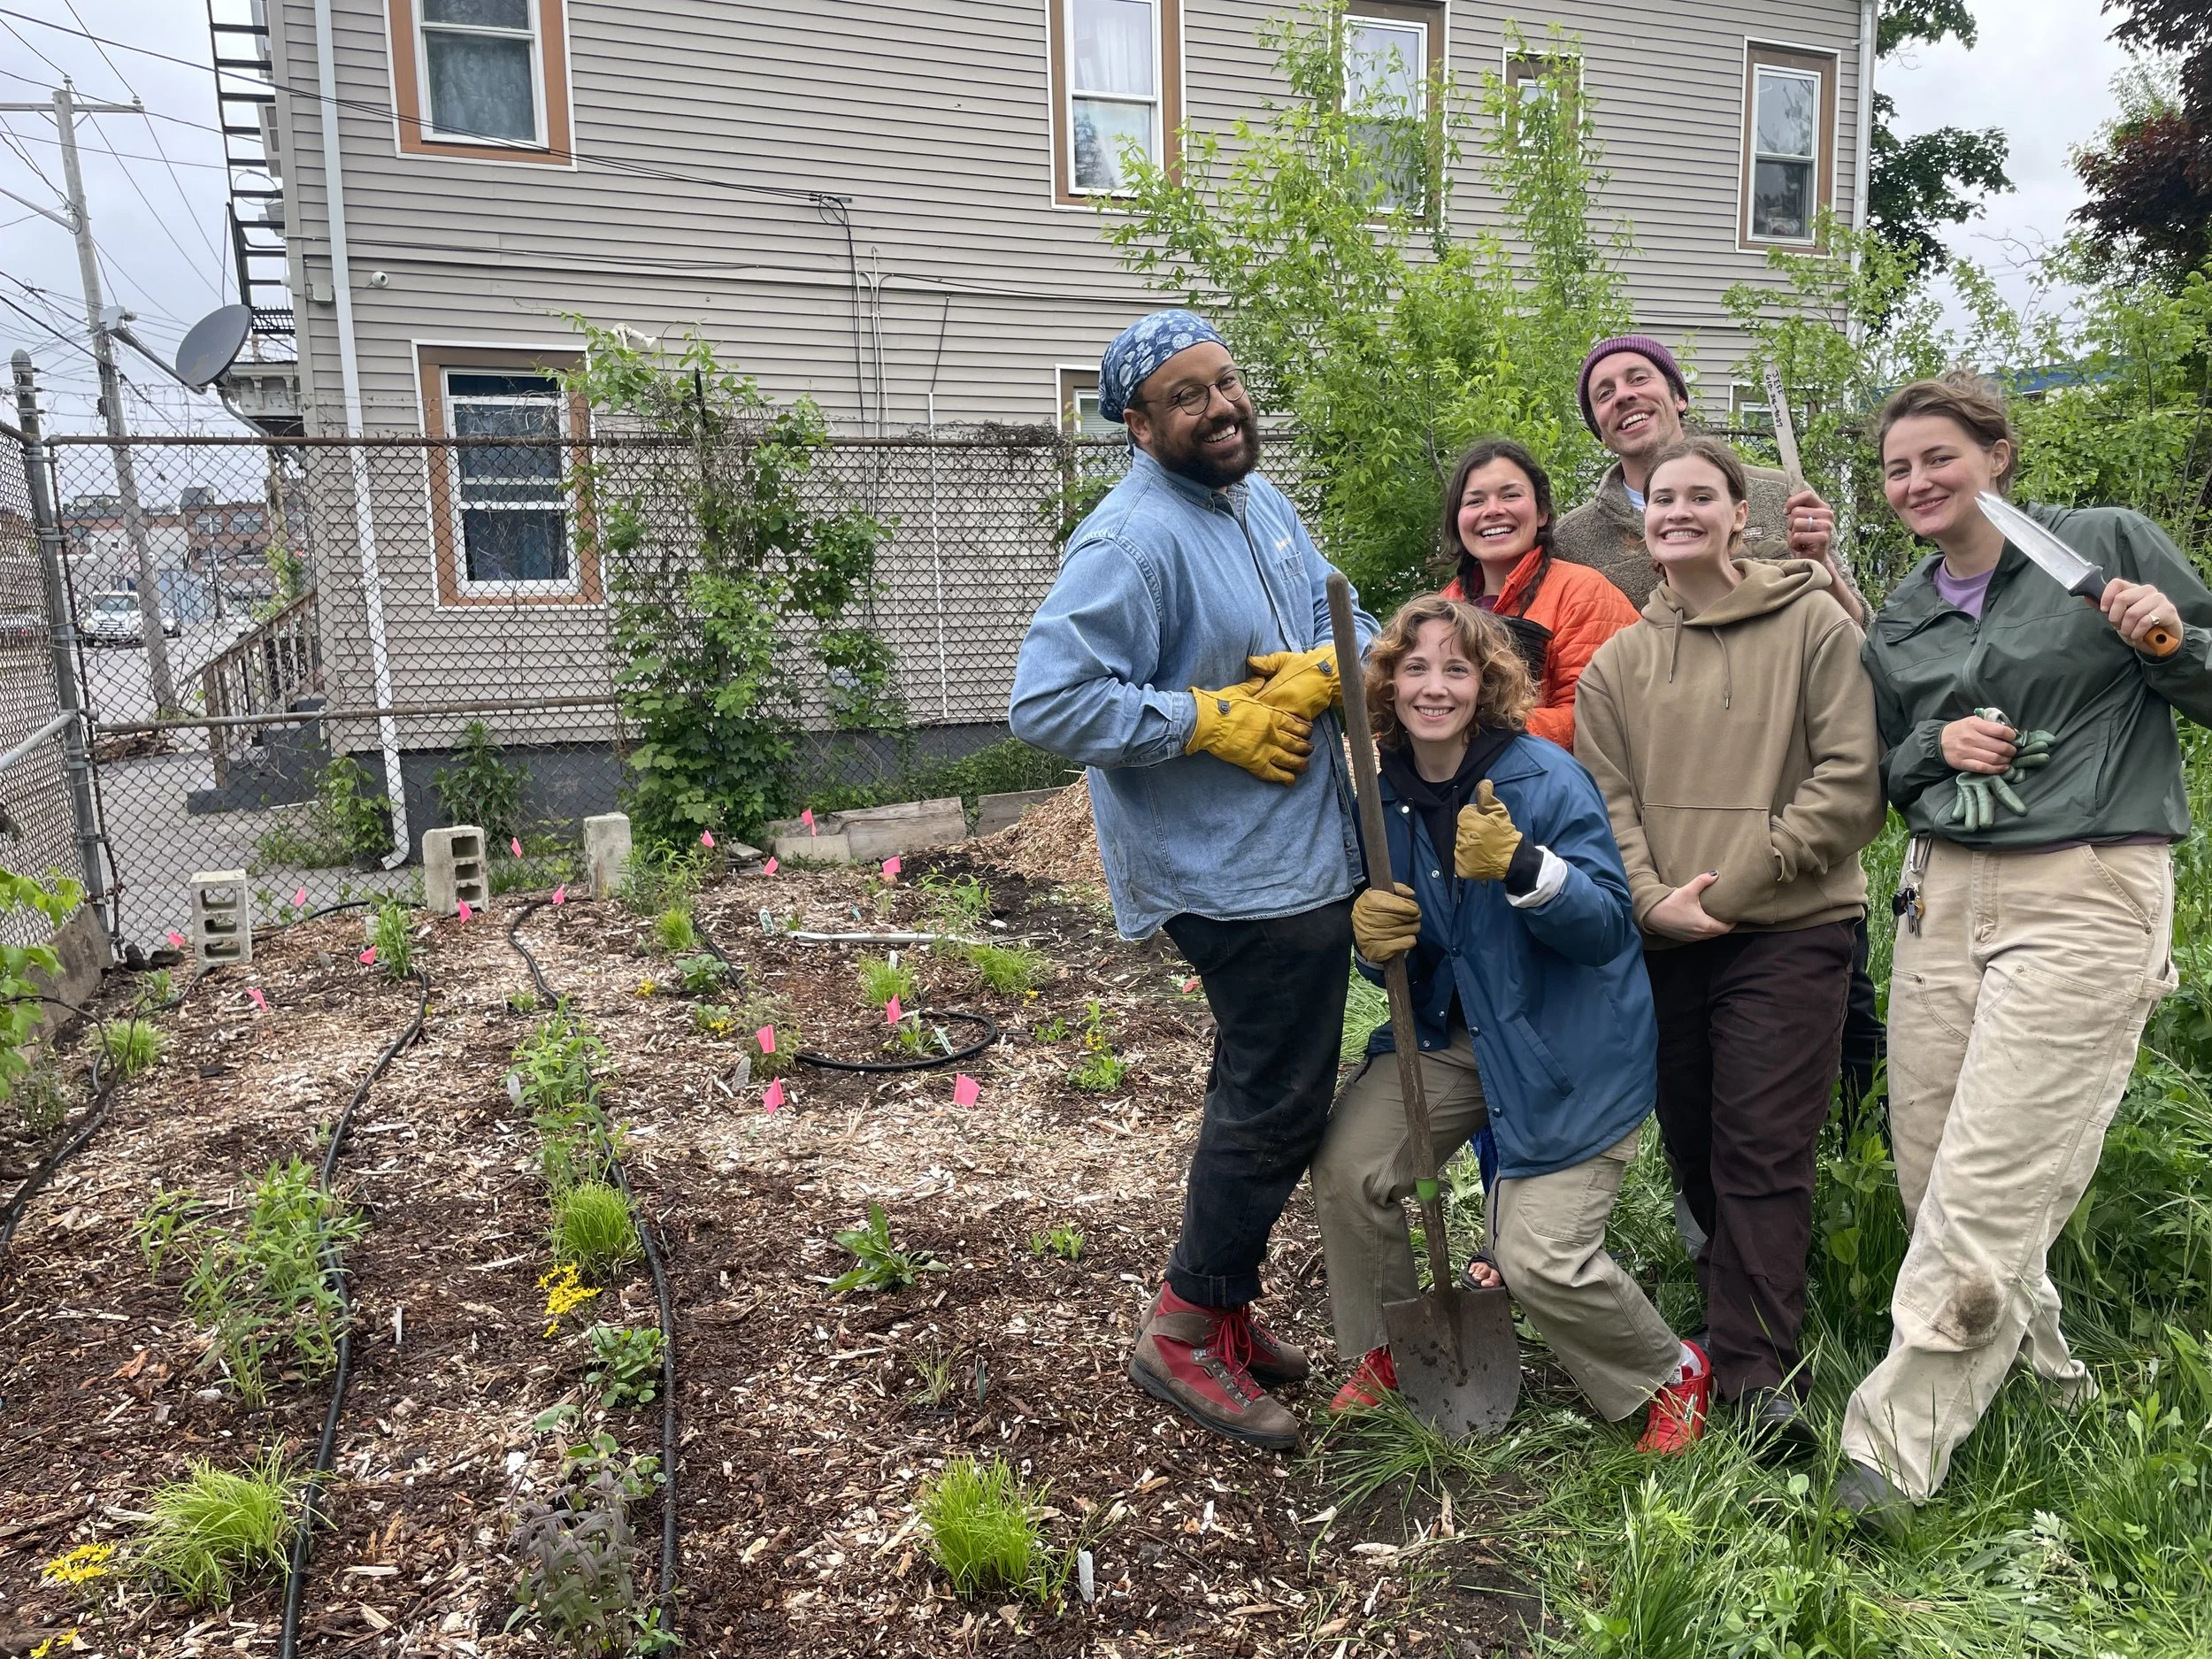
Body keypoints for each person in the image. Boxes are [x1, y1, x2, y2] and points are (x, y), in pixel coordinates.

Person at [1834, 376, 2209, 1530]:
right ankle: (2049, 1378)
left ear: (1997, 455)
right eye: (1898, 469)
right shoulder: (1899, 615)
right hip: (1943, 893)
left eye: (1939, 457)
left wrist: (2169, 635)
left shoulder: (2096, 548)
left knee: (1991, 1185)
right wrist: (1935, 746)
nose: (1917, 482)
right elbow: (1888, 774)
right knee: (1932, 1169)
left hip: (2085, 884)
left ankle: (1889, 1455)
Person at [1010, 309, 1378, 1452]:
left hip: (1297, 854)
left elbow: (1337, 609)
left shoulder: (1256, 501)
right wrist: (1208, 717)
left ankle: (1223, 1303)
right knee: (1276, 1099)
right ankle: (1184, 1322)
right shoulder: (1130, 540)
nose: (1220, 407)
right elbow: (1046, 700)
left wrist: (1329, 662)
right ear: (1139, 422)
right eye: (1187, 396)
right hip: (1235, 876)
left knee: (1265, 1087)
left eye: (1226, 383)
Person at [1310, 595, 1714, 1453]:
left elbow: (1607, 926)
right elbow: (1408, 956)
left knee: (1536, 1260)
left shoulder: (1541, 779)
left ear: (1485, 683)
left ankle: (1668, 1368)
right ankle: (1392, 1348)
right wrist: (1372, 939)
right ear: (1387, 683)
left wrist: (1528, 867)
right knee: (1351, 1169)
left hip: (1567, 1048)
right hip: (1457, 1039)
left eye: (1455, 668)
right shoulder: (1383, 797)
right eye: (1414, 667)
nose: (1433, 685)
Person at [1574, 436, 1886, 1448]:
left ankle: (1758, 1378)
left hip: (1791, 927)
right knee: (1697, 1138)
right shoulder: (1618, 662)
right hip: (1666, 938)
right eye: (1661, 498)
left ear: (1735, 514)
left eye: (1698, 495)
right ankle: (1733, 1292)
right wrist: (1653, 901)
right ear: (1643, 521)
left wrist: (1731, 891)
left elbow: (1847, 783)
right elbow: (1605, 803)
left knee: (1762, 1145)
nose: (1676, 510)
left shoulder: (1813, 627)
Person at [1560, 332, 1888, 1200]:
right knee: (1694, 1055)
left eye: (1638, 379)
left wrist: (1825, 563)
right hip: (1666, 812)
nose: (1623, 397)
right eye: (1603, 392)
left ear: (1676, 394)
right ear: (1597, 425)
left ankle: (1862, 1178)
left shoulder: (1776, 495)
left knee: (1841, 1011)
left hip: (1782, 799)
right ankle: (1718, 1218)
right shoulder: (1575, 538)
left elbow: (1850, 629)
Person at [1435, 437, 1639, 750]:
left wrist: (1477, 730)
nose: (1492, 510)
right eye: (1475, 501)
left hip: (1556, 789)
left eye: (1511, 495)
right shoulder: (1442, 609)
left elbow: (1594, 718)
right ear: (1457, 519)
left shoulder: (1584, 594)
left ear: (1542, 512)